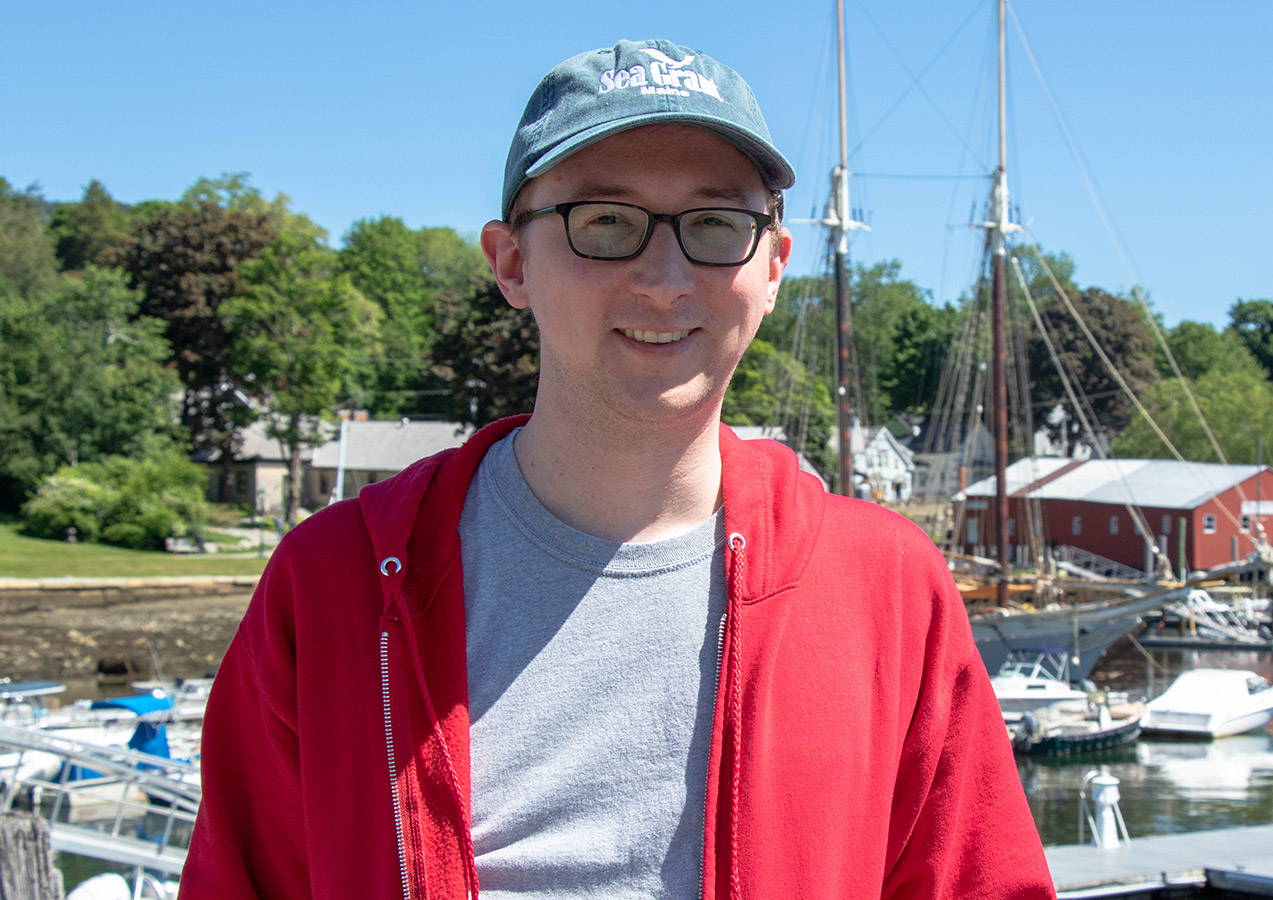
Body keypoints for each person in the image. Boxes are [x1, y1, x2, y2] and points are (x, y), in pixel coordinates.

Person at [181, 38, 1053, 899]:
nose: (666, 278)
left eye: (716, 225)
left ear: (774, 268)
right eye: (605, 221)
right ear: (512, 263)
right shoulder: (335, 583)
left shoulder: (888, 588)